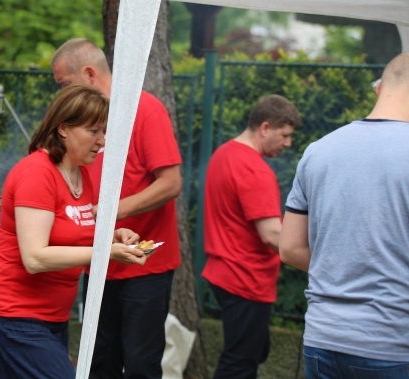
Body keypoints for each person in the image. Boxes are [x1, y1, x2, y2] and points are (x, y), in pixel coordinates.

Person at [0, 83, 149, 379]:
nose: (102, 140)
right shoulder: (37, 173)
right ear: (63, 129)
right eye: (93, 131)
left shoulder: (80, 173)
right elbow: (35, 257)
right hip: (15, 313)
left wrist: (111, 235)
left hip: (50, 315)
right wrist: (104, 252)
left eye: (104, 131)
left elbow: (72, 229)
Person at [51, 38, 183, 378]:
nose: (61, 95)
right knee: (98, 364)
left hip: (144, 263)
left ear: (90, 74)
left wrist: (112, 211)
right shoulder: (79, 120)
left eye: (65, 84)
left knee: (140, 366)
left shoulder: (144, 108)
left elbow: (171, 183)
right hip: (97, 261)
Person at [280, 53, 409, 378]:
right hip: (393, 343)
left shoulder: (318, 151)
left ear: (380, 89)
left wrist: (344, 268)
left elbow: (290, 248)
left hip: (323, 340)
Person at [202, 94, 301, 379]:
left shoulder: (224, 154)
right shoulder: (254, 169)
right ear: (265, 127)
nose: (288, 143)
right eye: (285, 135)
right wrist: (313, 256)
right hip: (245, 278)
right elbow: (271, 234)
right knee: (240, 363)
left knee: (250, 353)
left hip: (225, 273)